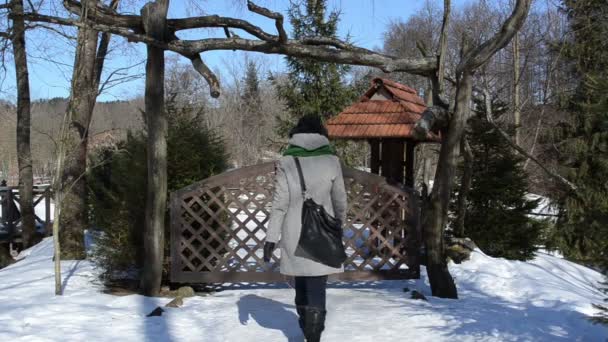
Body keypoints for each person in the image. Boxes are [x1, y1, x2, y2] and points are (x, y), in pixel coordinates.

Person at [263, 114, 347, 342]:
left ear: (296, 134)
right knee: (318, 289)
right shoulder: (331, 161)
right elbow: (340, 200)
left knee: (301, 288)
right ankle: (313, 335)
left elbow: (279, 204)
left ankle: (308, 330)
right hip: (323, 234)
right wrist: (339, 224)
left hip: (295, 235)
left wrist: (271, 238)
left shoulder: (286, 162)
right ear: (322, 135)